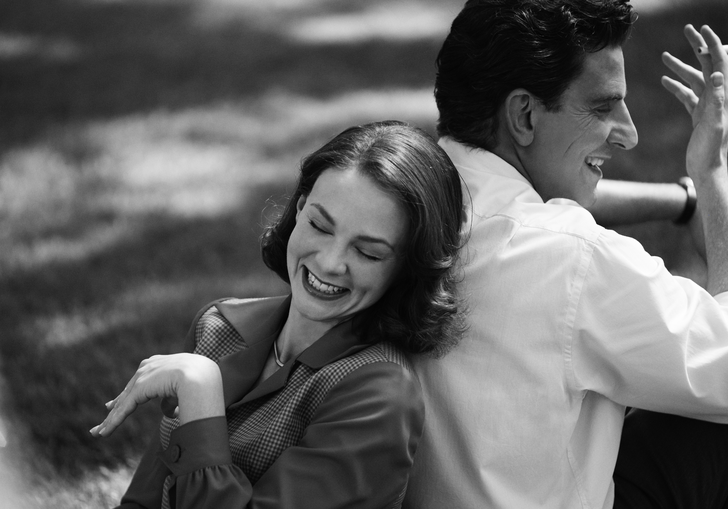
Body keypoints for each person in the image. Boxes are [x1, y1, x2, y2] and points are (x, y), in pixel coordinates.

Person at [402, 1, 728, 508]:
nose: (629, 132)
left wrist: (680, 201)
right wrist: (712, 180)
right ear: (524, 115)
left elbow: (538, 205)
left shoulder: (401, 197)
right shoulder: (572, 257)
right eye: (602, 107)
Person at [90, 120, 465, 509]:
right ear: (300, 209)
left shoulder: (378, 396)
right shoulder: (219, 325)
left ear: (407, 269)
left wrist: (201, 397)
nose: (331, 262)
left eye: (368, 252)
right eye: (320, 225)